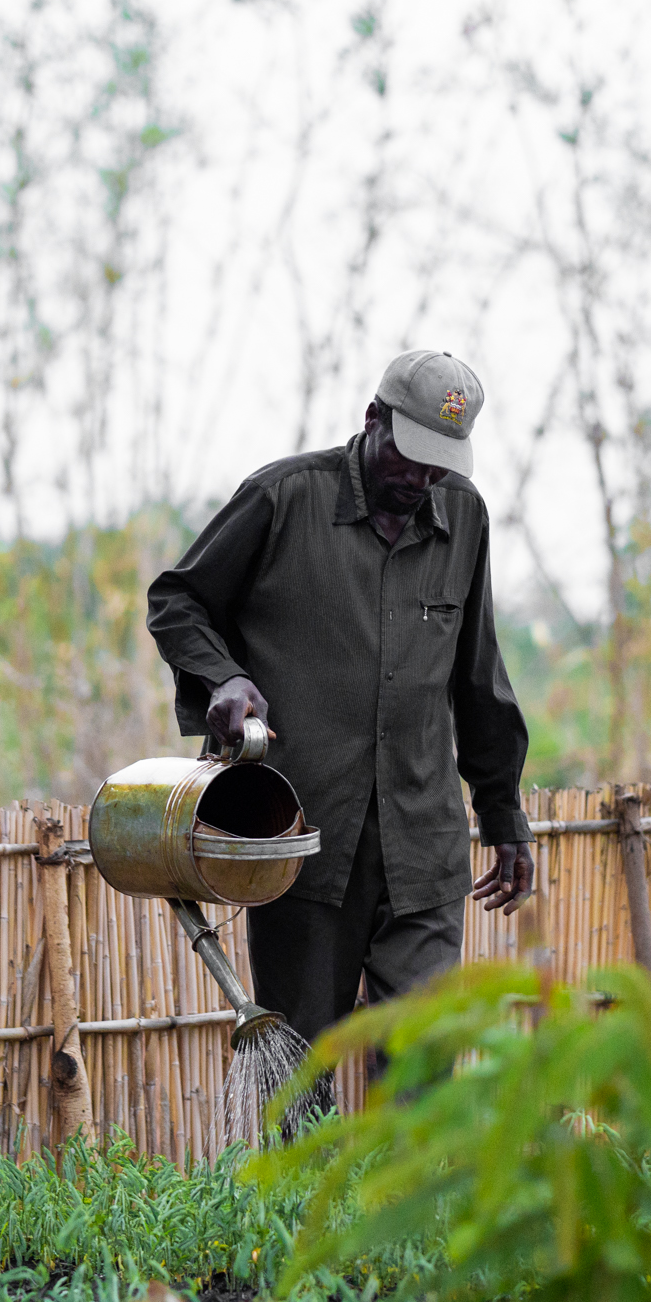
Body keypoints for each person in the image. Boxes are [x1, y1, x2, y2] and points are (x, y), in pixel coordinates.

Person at [144, 350, 538, 1060]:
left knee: (421, 1074)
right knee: (302, 1075)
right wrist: (224, 678)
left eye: (438, 465)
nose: (420, 479)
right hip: (303, 844)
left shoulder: (464, 518)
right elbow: (178, 601)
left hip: (422, 848)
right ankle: (303, 1179)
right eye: (409, 457)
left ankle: (401, 1178)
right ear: (372, 421)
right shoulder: (283, 497)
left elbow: (479, 675)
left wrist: (504, 813)